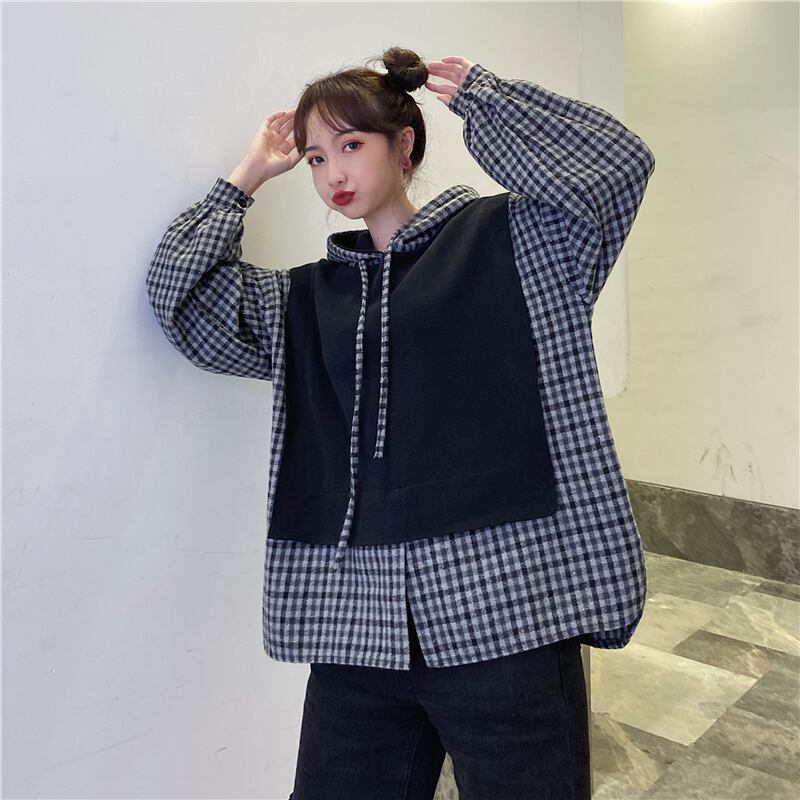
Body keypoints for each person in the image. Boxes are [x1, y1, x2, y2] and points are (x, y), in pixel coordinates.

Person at [147, 46, 655, 800]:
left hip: (507, 615)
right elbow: (179, 300)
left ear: (404, 145)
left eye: (351, 145)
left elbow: (616, 168)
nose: (333, 173)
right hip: (359, 634)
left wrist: (486, 99)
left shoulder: (516, 243)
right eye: (316, 158)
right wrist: (245, 177)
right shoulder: (304, 301)